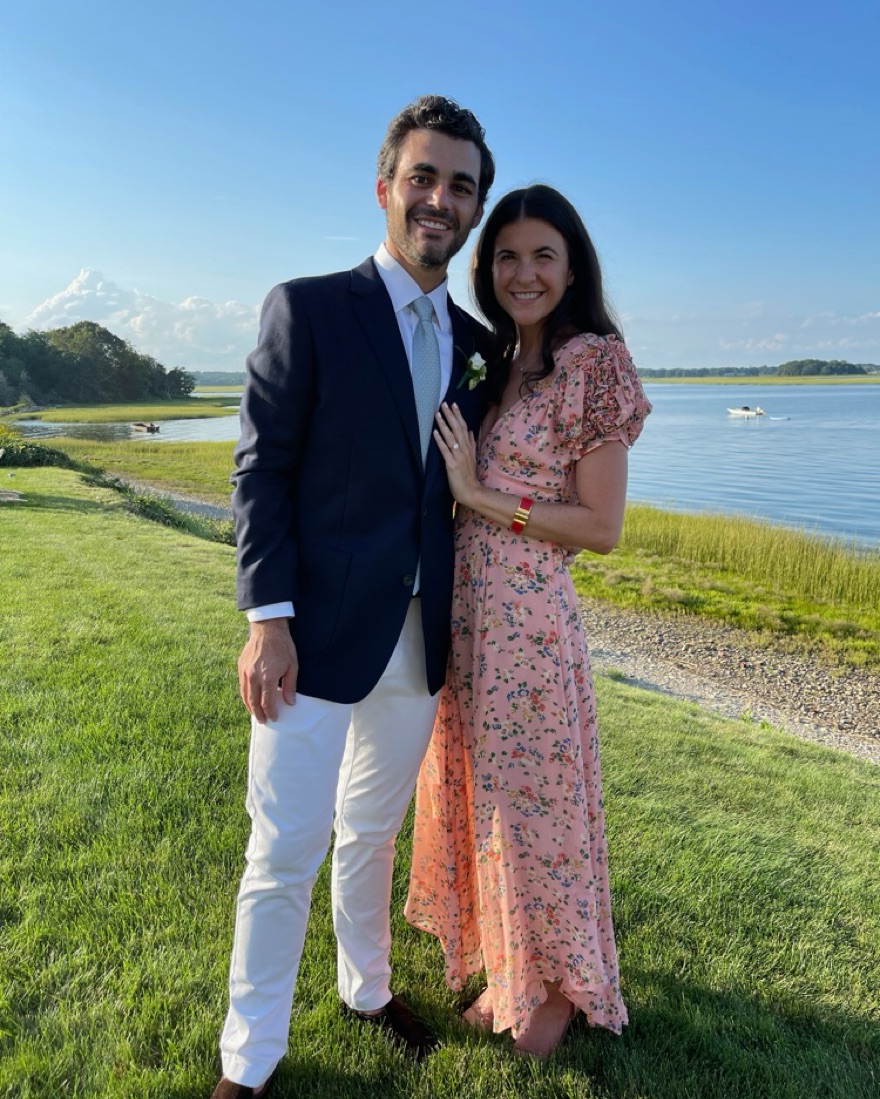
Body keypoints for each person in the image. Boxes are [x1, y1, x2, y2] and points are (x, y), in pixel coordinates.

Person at [212, 96, 495, 1099]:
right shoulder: (309, 309)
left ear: (474, 207)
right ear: (384, 188)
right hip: (315, 637)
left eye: (460, 185)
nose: (439, 198)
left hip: (418, 641)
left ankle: (366, 988)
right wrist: (267, 621)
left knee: (371, 830)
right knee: (284, 849)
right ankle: (249, 1059)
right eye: (423, 177)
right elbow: (261, 472)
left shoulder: (477, 343)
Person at [405, 184, 651, 1058]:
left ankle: (554, 986)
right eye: (507, 256)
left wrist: (481, 496)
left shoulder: (595, 363)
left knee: (537, 805)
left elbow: (601, 526)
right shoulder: (500, 360)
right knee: (489, 797)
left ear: (572, 266)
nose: (524, 273)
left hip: (529, 626)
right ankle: (511, 966)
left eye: (544, 255)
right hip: (468, 616)